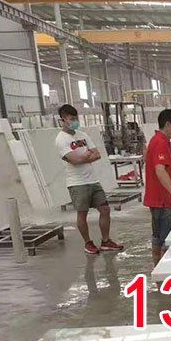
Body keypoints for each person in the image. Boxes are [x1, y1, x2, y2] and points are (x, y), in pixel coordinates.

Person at [56, 104, 124, 255]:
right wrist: (85, 156)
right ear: (63, 120)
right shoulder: (61, 139)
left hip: (93, 180)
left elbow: (97, 154)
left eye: (76, 118)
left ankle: (105, 241)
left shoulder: (83, 135)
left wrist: (83, 157)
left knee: (105, 209)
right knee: (82, 213)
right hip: (77, 183)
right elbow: (75, 161)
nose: (75, 121)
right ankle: (88, 243)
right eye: (71, 119)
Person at [144, 109, 171, 265]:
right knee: (167, 240)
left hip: (159, 199)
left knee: (158, 238)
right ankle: (165, 272)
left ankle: (158, 270)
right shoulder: (160, 142)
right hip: (162, 201)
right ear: (168, 124)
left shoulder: (158, 140)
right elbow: (160, 170)